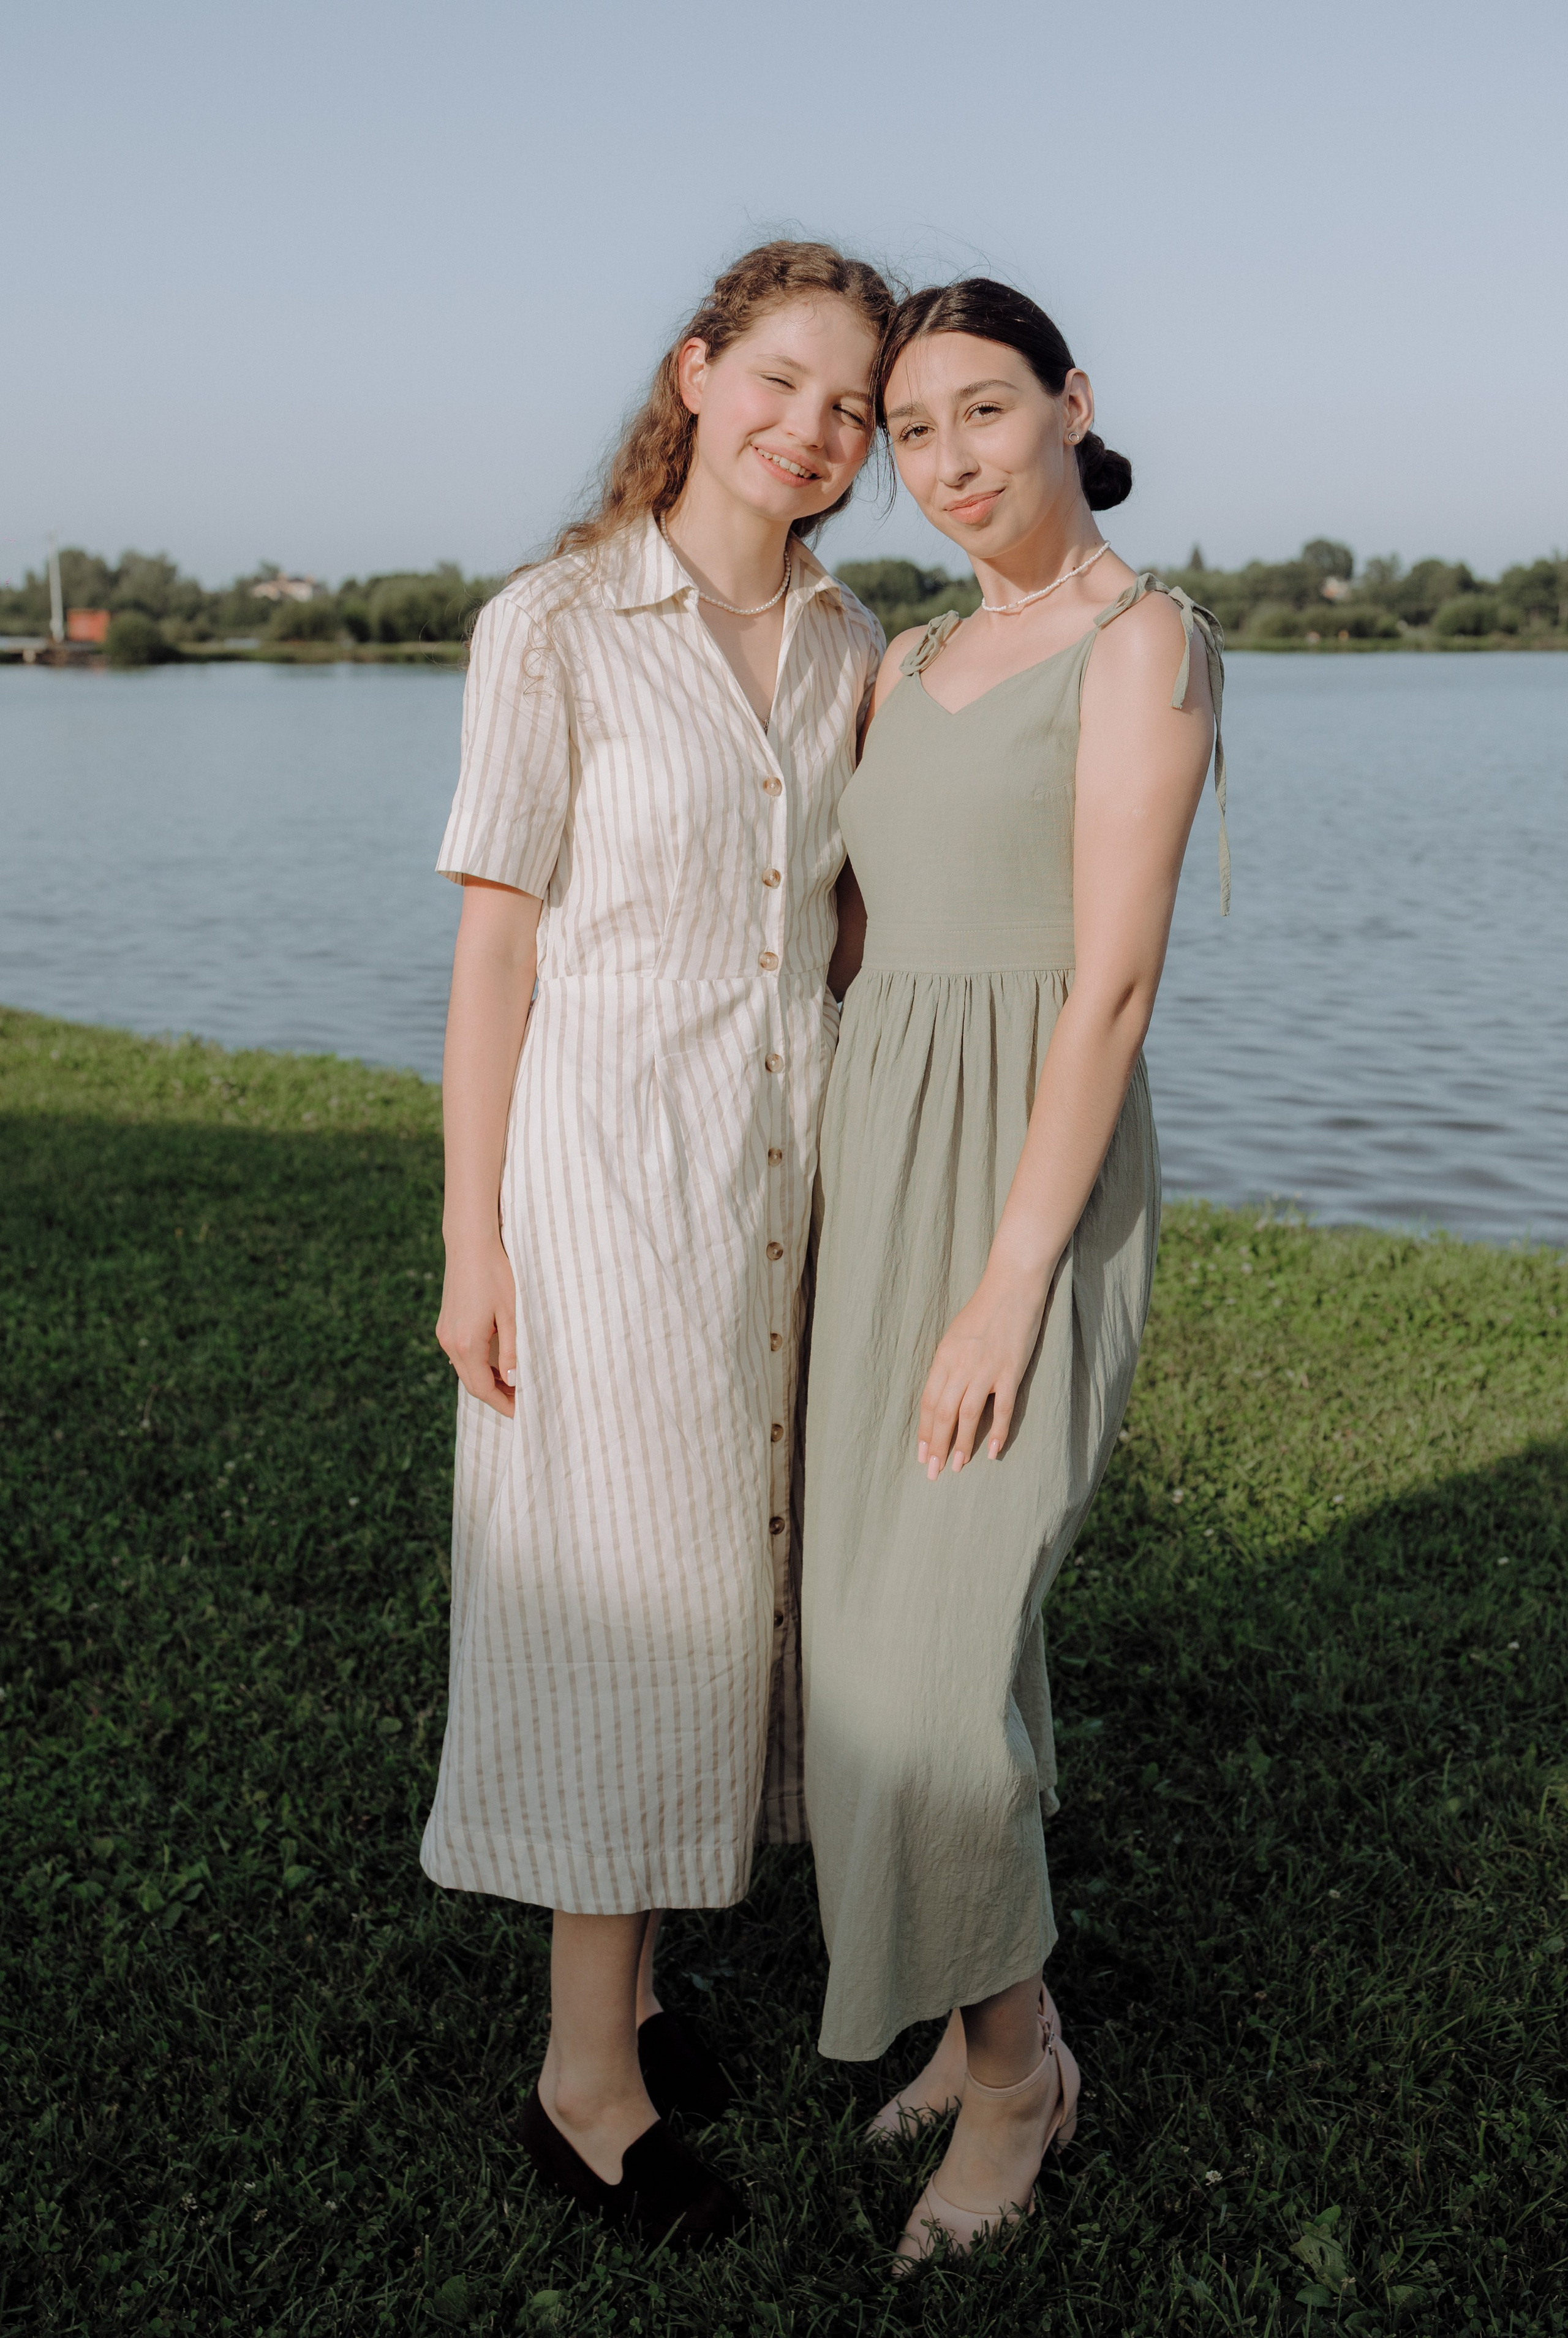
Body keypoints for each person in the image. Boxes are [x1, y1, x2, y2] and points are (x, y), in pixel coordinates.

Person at [421, 240, 893, 2246]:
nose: (813, 427)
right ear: (697, 373)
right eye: (781, 379)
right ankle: (582, 2081)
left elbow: (853, 924)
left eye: (852, 406)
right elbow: (496, 946)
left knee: (745, 1579)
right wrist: (473, 1241)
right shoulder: (554, 624)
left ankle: (636, 1990)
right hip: (607, 1183)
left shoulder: (864, 640)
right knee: (618, 1595)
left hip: (797, 1194)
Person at [801, 278, 1227, 2261]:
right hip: (880, 1155)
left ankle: (1010, 2079)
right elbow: (864, 943)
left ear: (1073, 404)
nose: (949, 461)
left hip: (1024, 1178)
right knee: (895, 1623)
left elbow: (1113, 984)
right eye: (913, 432)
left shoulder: (1142, 646)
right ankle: (995, 2014)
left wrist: (1006, 1282)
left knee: (929, 1664)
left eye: (983, 412)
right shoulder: (906, 658)